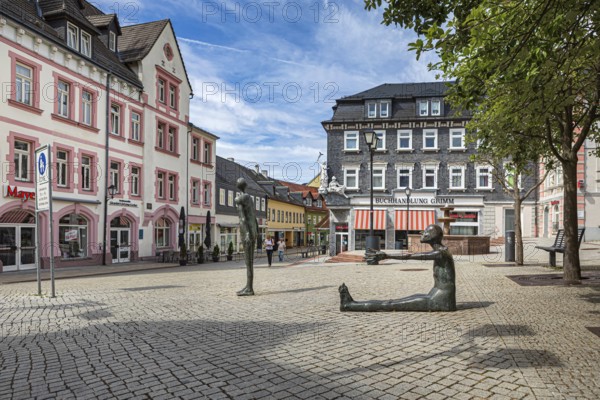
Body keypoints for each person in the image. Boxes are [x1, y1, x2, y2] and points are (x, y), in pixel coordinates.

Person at [339, 224, 456, 312]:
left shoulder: (441, 253)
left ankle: (350, 305)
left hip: (441, 299)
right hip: (436, 294)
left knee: (391, 304)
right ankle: (351, 304)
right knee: (398, 301)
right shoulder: (440, 251)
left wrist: (387, 255)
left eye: (425, 232)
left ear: (432, 237)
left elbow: (410, 256)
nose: (422, 233)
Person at [234, 178, 259, 296]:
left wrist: (247, 233)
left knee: (248, 262)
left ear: (238, 186)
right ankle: (248, 286)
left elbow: (242, 218)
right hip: (253, 229)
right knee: (250, 262)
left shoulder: (239, 199)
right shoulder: (250, 198)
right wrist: (255, 231)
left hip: (247, 231)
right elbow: (253, 217)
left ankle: (249, 288)